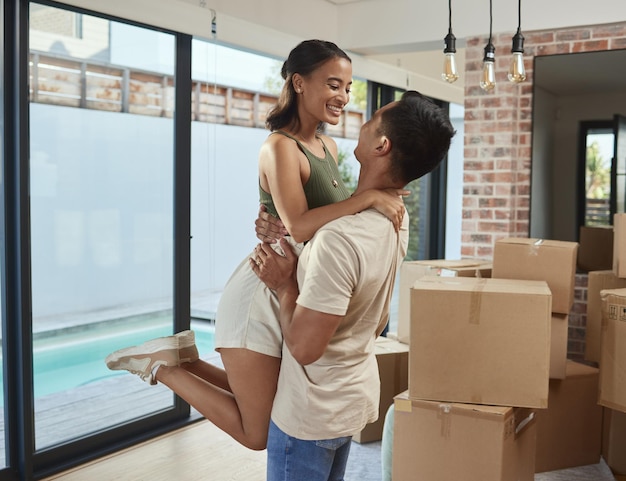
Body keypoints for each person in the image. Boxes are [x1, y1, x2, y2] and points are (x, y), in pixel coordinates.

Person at [105, 39, 407, 450]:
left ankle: (185, 359)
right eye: (333, 84)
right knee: (258, 432)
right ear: (299, 83)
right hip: (259, 294)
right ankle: (162, 368)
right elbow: (300, 227)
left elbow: (312, 224)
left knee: (265, 400)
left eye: (347, 87)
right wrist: (366, 198)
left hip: (284, 284)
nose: (343, 97)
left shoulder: (328, 146)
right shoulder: (279, 146)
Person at [251, 90, 455, 481]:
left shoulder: (339, 240)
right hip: (350, 398)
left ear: (381, 144)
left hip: (312, 412)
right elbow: (373, 320)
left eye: (373, 116)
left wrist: (284, 286)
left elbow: (305, 348)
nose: (358, 117)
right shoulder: (396, 217)